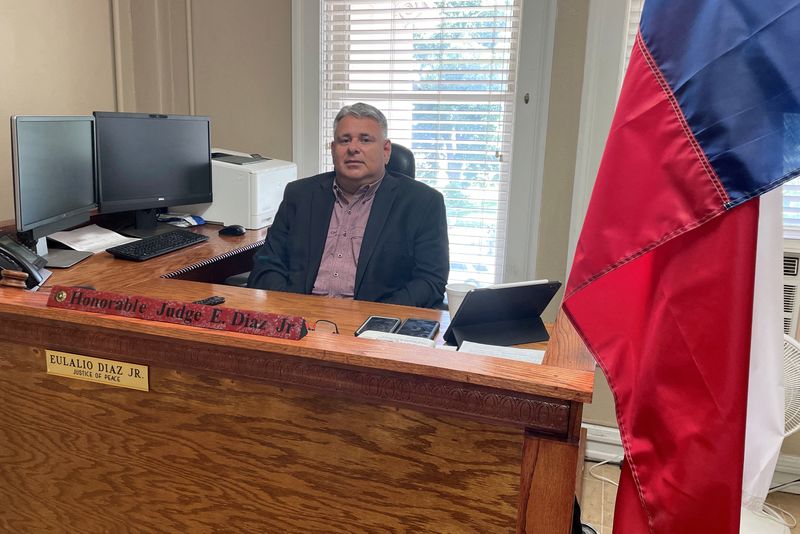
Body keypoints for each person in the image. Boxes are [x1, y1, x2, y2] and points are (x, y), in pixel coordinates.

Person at [247, 103, 449, 308]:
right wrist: (295, 308)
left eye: (365, 139)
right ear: (334, 150)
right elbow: (266, 265)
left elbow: (430, 281)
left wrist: (377, 319)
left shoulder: (423, 203)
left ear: (386, 150)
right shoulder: (300, 195)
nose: (353, 148)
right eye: (344, 140)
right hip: (299, 319)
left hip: (373, 328)